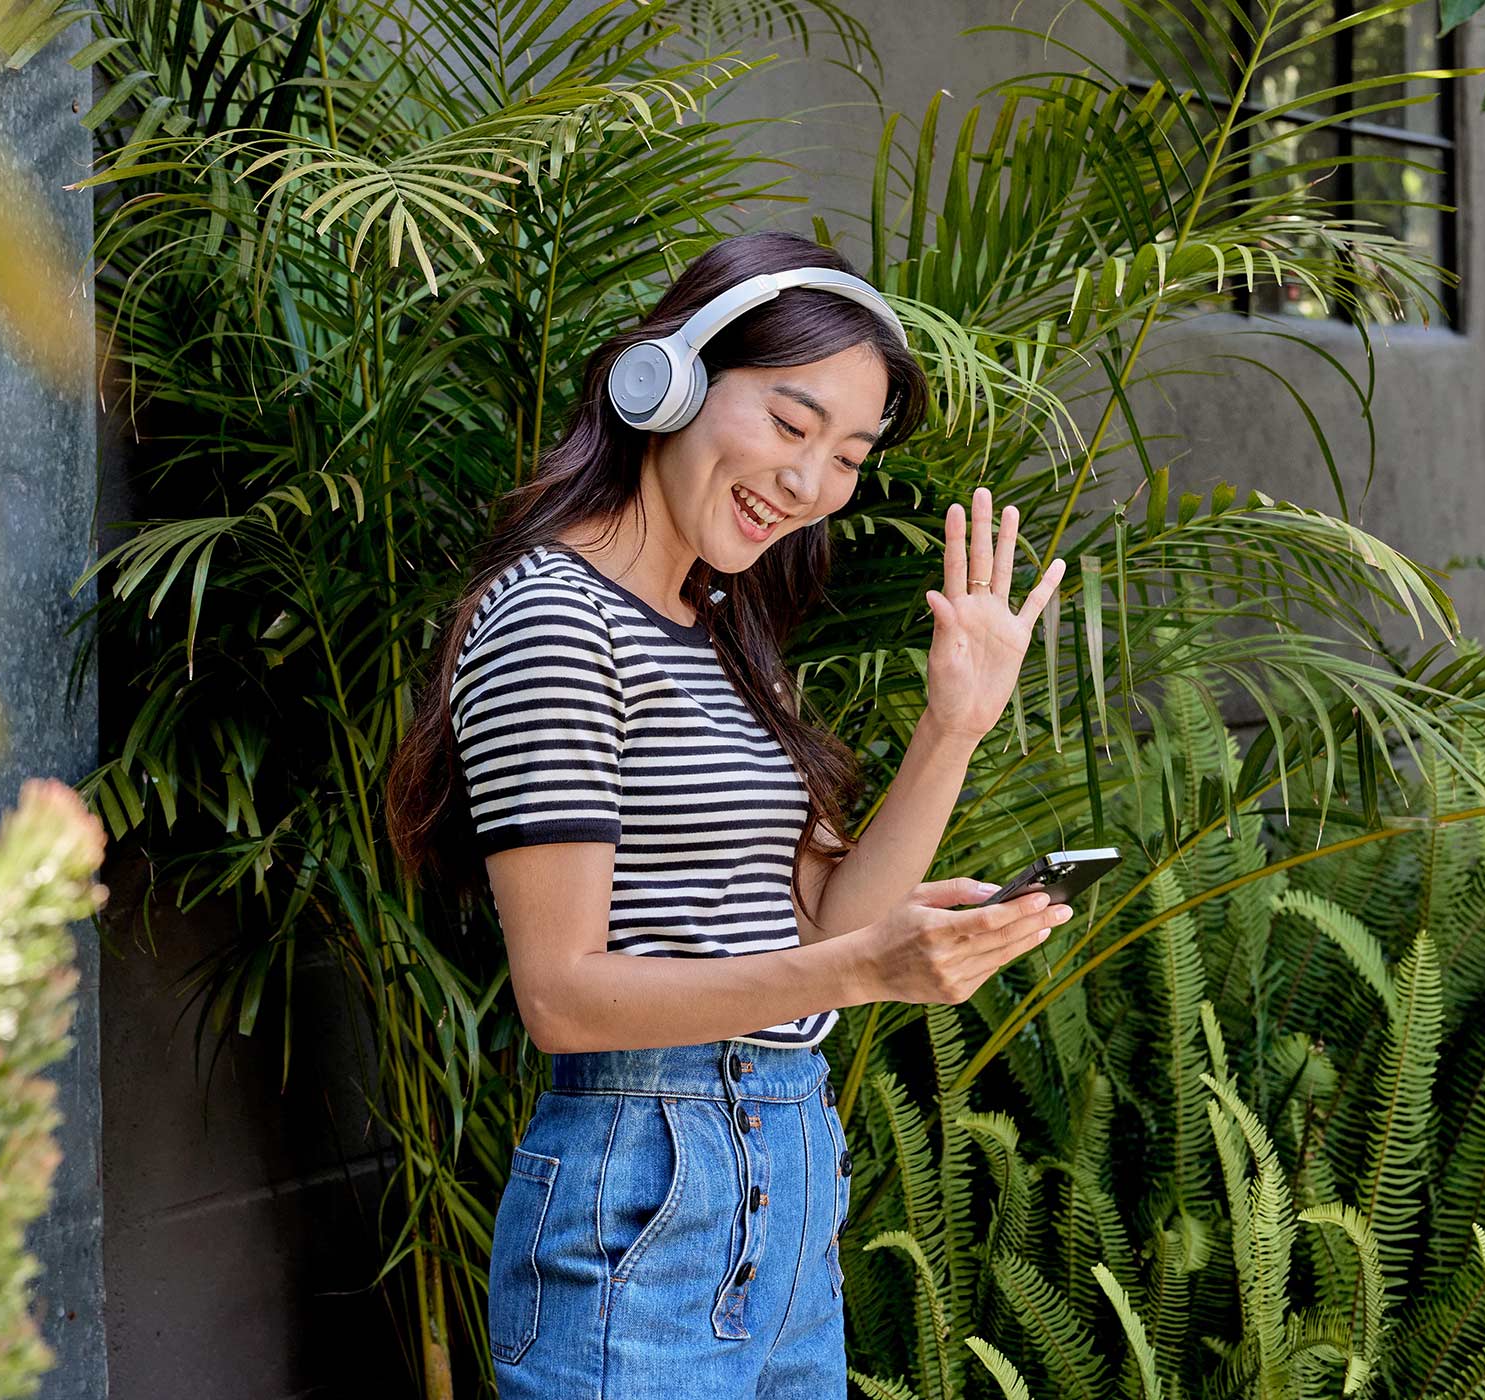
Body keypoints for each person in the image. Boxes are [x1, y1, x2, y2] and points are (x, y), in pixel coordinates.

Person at [383, 229, 1070, 1397]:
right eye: (790, 423)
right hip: (642, 1192)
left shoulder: (724, 633)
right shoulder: (555, 619)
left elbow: (818, 919)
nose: (809, 483)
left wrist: (953, 723)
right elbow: (561, 994)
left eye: (847, 454)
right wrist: (865, 968)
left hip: (785, 1169)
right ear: (670, 382)